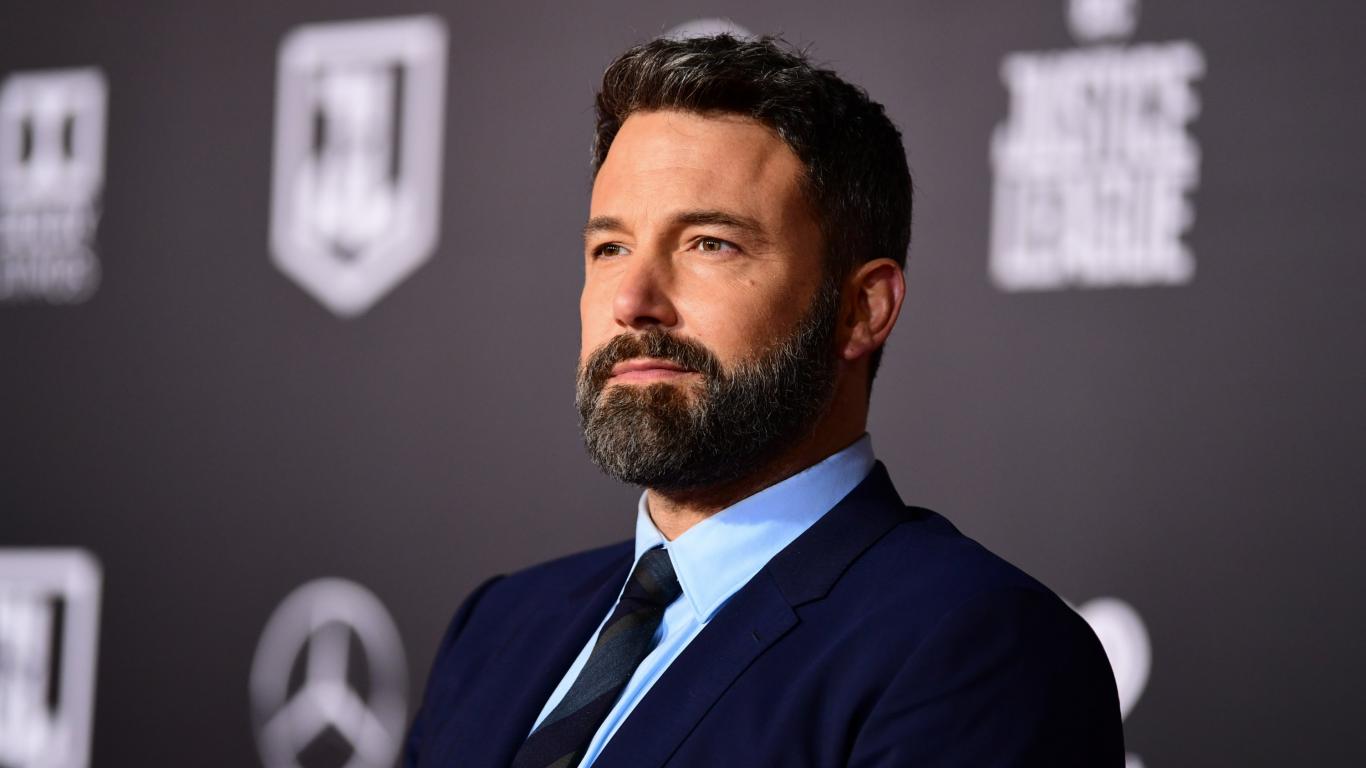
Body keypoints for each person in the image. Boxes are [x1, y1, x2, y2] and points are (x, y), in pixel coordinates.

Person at [405, 34, 1123, 768]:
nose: (632, 300)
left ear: (862, 309)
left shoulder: (979, 647)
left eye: (709, 244)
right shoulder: (497, 626)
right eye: (611, 248)